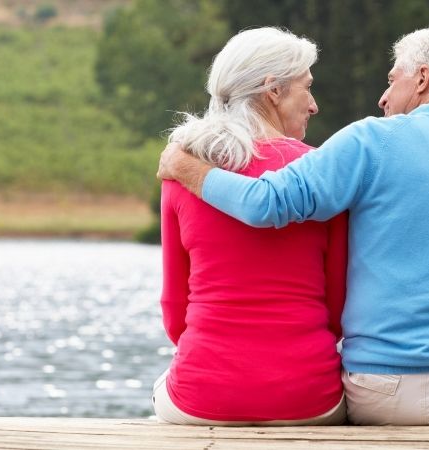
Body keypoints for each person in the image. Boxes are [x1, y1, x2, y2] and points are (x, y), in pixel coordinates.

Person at [158, 27, 429, 426]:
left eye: (392, 80)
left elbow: (267, 202)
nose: (383, 97)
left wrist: (187, 168)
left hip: (382, 392)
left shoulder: (368, 143)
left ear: (423, 79)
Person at [152, 27, 348, 426]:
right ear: (272, 91)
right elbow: (337, 309)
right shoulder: (323, 174)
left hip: (201, 393)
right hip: (309, 397)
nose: (314, 106)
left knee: (159, 389)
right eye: (306, 88)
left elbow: (175, 313)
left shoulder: (182, 172)